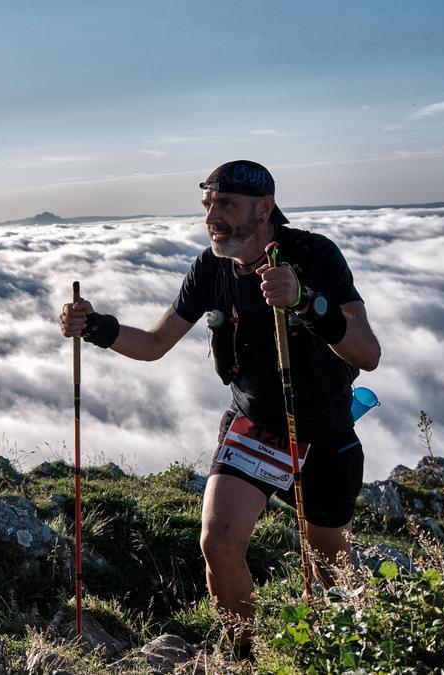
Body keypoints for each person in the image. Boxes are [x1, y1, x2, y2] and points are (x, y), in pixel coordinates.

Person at [59, 160, 381, 659]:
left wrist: (306, 303)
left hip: (324, 426)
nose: (213, 216)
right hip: (253, 423)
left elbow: (368, 353)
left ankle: (359, 644)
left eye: (226, 204)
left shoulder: (315, 256)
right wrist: (95, 326)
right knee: (217, 544)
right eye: (208, 204)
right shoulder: (211, 269)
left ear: (265, 208)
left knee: (328, 563)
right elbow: (154, 343)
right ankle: (245, 656)